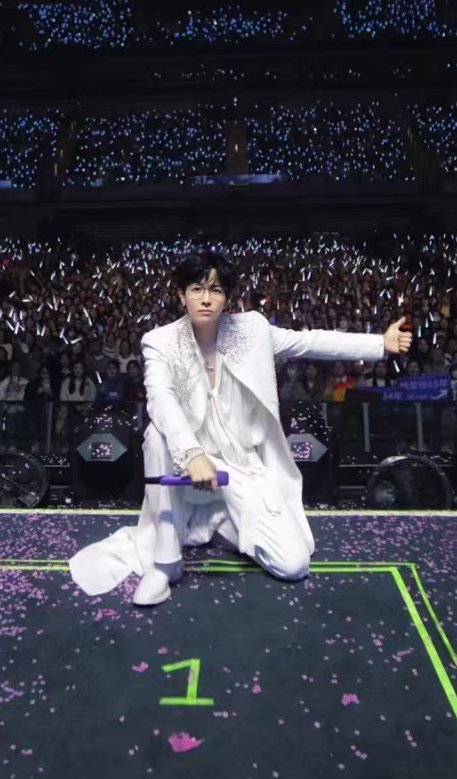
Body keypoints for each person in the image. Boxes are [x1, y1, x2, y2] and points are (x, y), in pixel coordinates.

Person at [69, 249, 413, 607]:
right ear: (181, 295)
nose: (206, 299)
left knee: (293, 564)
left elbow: (308, 341)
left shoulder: (252, 330)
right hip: (186, 467)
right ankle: (165, 563)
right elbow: (161, 400)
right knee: (157, 433)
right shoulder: (160, 341)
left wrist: (380, 343)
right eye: (197, 289)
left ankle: (215, 522)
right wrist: (193, 453)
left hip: (240, 469)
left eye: (216, 290)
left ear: (226, 297)